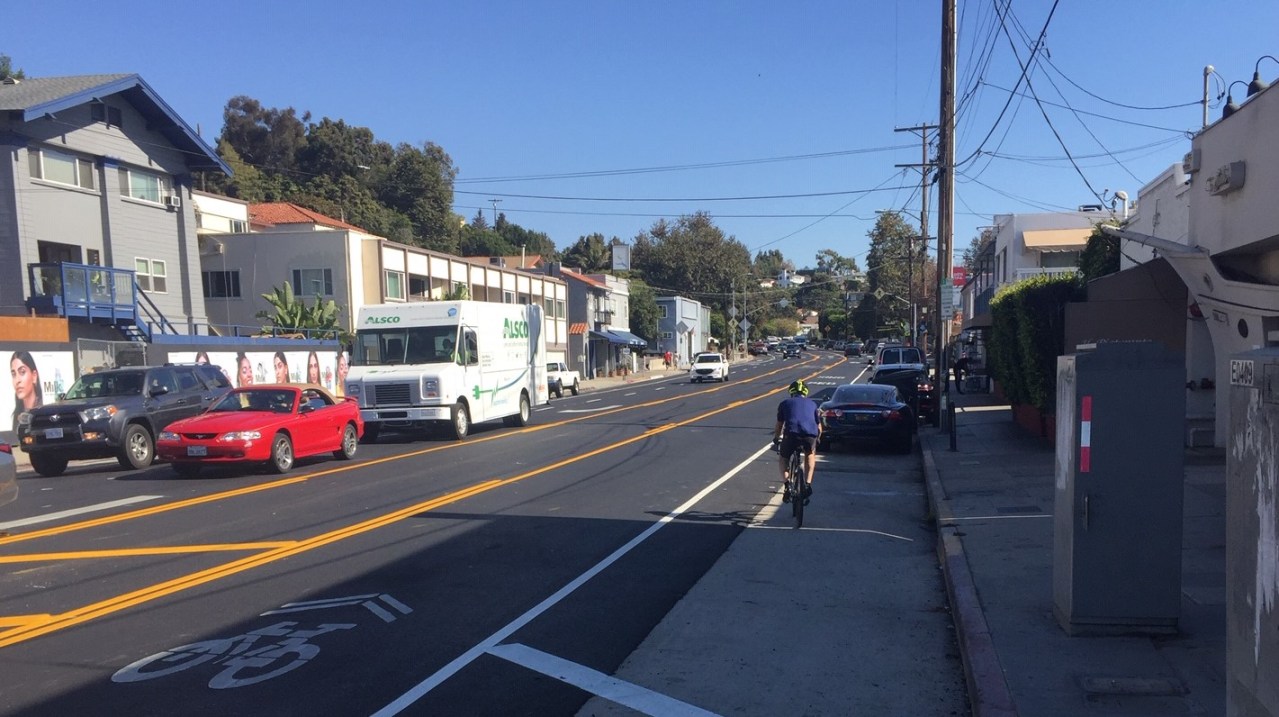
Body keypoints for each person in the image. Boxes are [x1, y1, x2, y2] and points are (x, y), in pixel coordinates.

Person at [773, 379, 822, 504]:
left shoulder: (785, 403)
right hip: (809, 435)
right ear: (805, 393)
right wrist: (818, 438)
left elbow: (779, 425)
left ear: (791, 392)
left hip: (791, 435)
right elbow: (819, 427)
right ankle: (808, 484)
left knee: (784, 457)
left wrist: (776, 438)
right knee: (810, 454)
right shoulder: (813, 404)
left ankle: (787, 485)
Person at [11, 351, 43, 429]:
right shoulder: (16, 416)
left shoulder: (42, 411)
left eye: (22, 372)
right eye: (14, 374)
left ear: (34, 376)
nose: (17, 380)